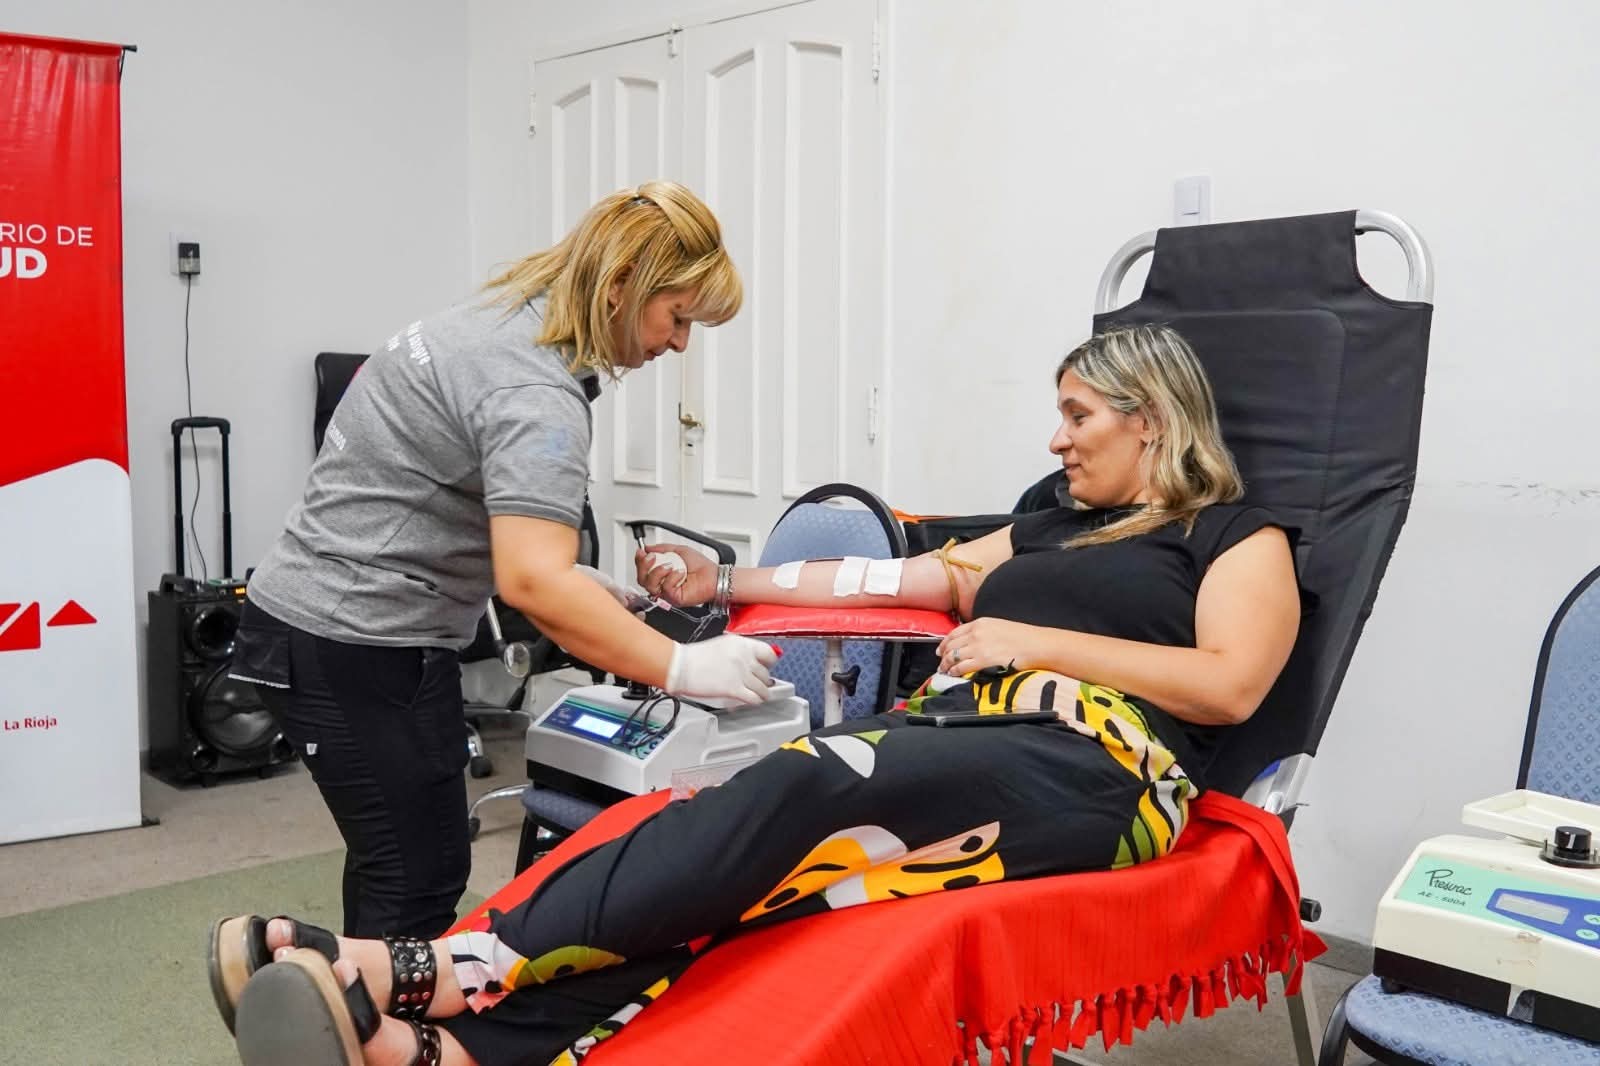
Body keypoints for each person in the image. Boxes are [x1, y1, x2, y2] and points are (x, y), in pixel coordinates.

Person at [211, 323, 1304, 1066]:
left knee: (810, 781)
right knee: (741, 881)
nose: (1056, 438)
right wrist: (723, 577)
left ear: (1151, 417)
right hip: (967, 738)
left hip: (1103, 768)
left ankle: (436, 969)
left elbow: (1228, 685)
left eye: (1077, 415)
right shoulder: (1055, 518)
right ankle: (448, 1051)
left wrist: (1030, 637)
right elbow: (899, 577)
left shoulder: (1231, 535)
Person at [226, 182, 781, 944]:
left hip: (319, 621)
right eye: (677, 317)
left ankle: (335, 995)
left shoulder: (499, 321)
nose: (679, 343)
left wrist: (579, 581)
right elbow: (531, 582)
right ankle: (366, 1026)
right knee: (415, 872)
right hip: (353, 640)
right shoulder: (534, 389)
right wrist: (682, 669)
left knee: (400, 854)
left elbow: (450, 501)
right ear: (622, 287)